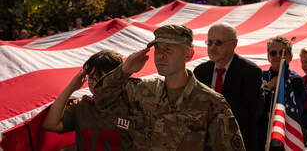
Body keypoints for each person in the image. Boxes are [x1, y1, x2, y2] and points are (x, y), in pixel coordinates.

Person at [94, 24, 245, 151]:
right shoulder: (142, 91)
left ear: (189, 54)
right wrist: (124, 70)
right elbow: (101, 100)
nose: (160, 55)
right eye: (158, 49)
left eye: (168, 49)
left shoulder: (212, 103)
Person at [43, 50, 133, 151]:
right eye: (91, 78)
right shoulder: (82, 106)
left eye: (100, 78)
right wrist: (70, 88)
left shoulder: (133, 102)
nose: (94, 83)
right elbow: (51, 125)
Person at [193, 22, 264, 151]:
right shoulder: (200, 72)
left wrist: (214, 99)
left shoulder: (250, 72)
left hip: (238, 143)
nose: (212, 48)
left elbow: (252, 113)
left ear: (234, 44)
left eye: (218, 43)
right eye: (209, 42)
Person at [259, 36, 305, 151]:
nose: (278, 56)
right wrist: (269, 86)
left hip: (285, 135)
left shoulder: (295, 80)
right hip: (261, 134)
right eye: (273, 53)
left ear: (290, 56)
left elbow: (298, 110)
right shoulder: (259, 76)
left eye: (283, 53)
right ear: (268, 57)